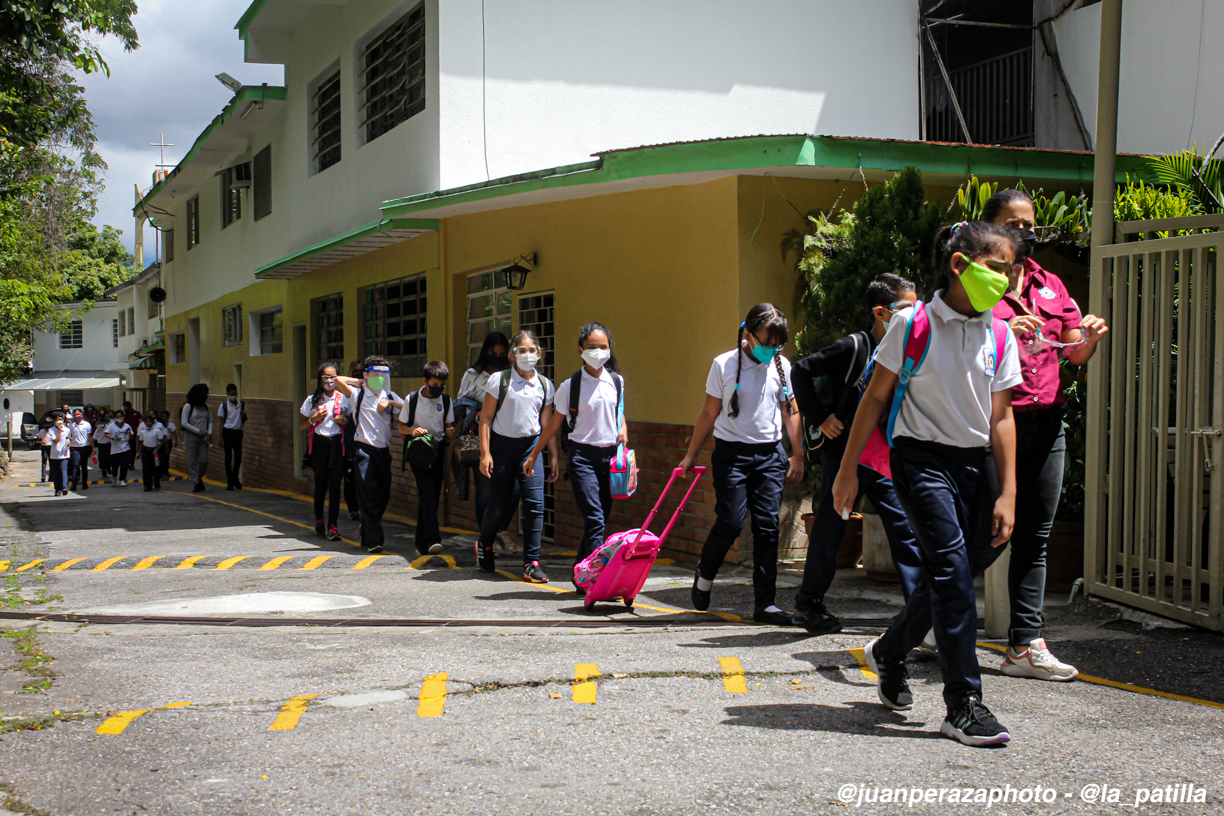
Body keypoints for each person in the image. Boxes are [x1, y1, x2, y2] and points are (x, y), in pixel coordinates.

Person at [832, 220, 1021, 747]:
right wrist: (848, 473)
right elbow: (873, 398)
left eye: (1011, 269)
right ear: (959, 264)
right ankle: (963, 705)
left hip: (975, 462)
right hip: (920, 460)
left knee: (958, 569)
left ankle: (890, 651)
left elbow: (1002, 417)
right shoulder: (913, 324)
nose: (1006, 280)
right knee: (956, 580)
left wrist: (1007, 490)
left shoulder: (1000, 332)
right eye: (996, 268)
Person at [976, 189, 1109, 682]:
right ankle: (918, 623)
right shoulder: (977, 283)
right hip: (994, 421)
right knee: (984, 536)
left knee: (1035, 536)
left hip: (1047, 421)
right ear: (990, 228)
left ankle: (1024, 645)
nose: (1025, 233)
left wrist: (1089, 338)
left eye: (1030, 225)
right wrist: (1004, 329)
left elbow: (1073, 353)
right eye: (1014, 224)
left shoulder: (1050, 284)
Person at [790, 275, 923, 634]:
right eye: (905, 309)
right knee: (831, 528)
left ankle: (922, 613)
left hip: (882, 454)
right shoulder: (854, 346)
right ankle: (809, 603)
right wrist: (821, 417)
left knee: (903, 528)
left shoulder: (911, 346)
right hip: (844, 453)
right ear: (881, 313)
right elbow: (800, 371)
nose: (914, 315)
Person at [679, 303, 804, 625]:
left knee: (767, 528)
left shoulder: (781, 365)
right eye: (766, 343)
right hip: (731, 454)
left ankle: (766, 603)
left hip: (769, 456)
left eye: (778, 344)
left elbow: (790, 410)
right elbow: (709, 412)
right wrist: (692, 455)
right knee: (731, 522)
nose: (772, 349)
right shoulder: (724, 364)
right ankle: (705, 571)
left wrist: (798, 453)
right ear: (747, 334)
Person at [525, 322, 627, 594]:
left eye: (603, 347)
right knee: (595, 519)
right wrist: (535, 453)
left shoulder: (616, 381)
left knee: (601, 516)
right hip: (582, 457)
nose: (598, 352)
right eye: (592, 347)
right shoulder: (570, 386)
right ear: (580, 350)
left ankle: (580, 572)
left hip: (609, 459)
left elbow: (619, 412)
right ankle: (598, 580)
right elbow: (553, 424)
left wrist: (623, 431)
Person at [474, 330, 559, 583]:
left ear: (539, 354)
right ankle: (485, 544)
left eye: (532, 350)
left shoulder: (545, 385)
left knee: (535, 504)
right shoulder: (499, 380)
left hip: (531, 448)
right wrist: (485, 453)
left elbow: (547, 425)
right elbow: (486, 418)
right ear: (512, 355)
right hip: (501, 447)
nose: (527, 355)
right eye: (522, 350)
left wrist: (552, 455)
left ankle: (531, 563)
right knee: (498, 505)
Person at [456, 332, 518, 552]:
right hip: (482, 435)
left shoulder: (513, 375)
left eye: (502, 354)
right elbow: (460, 404)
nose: (498, 357)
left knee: (515, 488)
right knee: (484, 491)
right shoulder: (473, 374)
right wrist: (478, 411)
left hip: (509, 437)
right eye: (494, 353)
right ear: (486, 352)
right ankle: (486, 541)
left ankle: (499, 529)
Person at [335, 356, 403, 553]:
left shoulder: (389, 395)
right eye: (375, 375)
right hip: (363, 450)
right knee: (368, 494)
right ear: (366, 375)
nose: (379, 379)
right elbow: (339, 380)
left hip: (383, 452)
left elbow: (408, 409)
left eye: (383, 375)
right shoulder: (358, 395)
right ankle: (375, 539)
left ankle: (367, 528)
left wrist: (390, 403)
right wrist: (359, 382)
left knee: (383, 494)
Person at [400, 360, 456, 556]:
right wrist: (413, 430)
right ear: (425, 381)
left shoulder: (446, 401)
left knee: (430, 496)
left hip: (438, 451)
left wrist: (450, 431)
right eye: (434, 385)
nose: (438, 389)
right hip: (418, 450)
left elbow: (448, 427)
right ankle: (433, 539)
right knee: (427, 492)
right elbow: (401, 427)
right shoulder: (412, 399)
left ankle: (420, 542)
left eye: (442, 386)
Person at [300, 362, 351, 541]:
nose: (330, 381)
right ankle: (319, 518)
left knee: (335, 486)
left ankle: (333, 526)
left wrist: (343, 421)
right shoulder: (312, 399)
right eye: (326, 377)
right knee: (321, 484)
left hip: (337, 444)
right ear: (320, 379)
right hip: (320, 445)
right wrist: (314, 419)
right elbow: (301, 424)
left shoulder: (343, 398)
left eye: (333, 377)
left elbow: (349, 419)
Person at [342, 360, 364, 522]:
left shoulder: (372, 393)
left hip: (365, 439)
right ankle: (353, 508)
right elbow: (340, 415)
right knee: (350, 476)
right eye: (356, 371)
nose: (359, 374)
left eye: (362, 371)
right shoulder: (348, 393)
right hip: (350, 438)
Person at [181, 384, 213, 492]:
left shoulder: (206, 407)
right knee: (192, 461)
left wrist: (209, 432)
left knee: (204, 461)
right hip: (191, 437)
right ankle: (196, 482)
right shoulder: (188, 407)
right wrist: (197, 431)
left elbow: (210, 420)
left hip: (203, 438)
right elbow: (184, 423)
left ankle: (198, 477)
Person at [218, 383, 248, 490]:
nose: (233, 396)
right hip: (227, 432)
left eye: (235, 394)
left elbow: (245, 419)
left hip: (238, 432)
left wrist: (244, 415)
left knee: (238, 457)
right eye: (231, 394)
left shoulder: (242, 404)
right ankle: (230, 480)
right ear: (227, 394)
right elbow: (221, 422)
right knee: (228, 457)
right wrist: (220, 437)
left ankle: (235, 477)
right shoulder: (224, 406)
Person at [134, 412, 166, 491]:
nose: (148, 423)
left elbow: (161, 441)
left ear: (153, 422)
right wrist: (138, 452)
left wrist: (156, 449)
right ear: (144, 423)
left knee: (156, 467)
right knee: (146, 468)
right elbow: (141, 442)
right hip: (146, 451)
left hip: (155, 451)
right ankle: (147, 484)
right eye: (147, 422)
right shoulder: (142, 432)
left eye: (150, 421)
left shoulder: (157, 431)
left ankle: (156, 481)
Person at [42, 413, 71, 496]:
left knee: (63, 470)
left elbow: (68, 438)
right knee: (55, 473)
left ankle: (64, 487)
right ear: (54, 421)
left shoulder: (67, 429)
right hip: (54, 455)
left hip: (64, 454)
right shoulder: (51, 430)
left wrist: (69, 443)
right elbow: (56, 440)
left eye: (61, 419)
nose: (59, 421)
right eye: (57, 419)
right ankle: (57, 489)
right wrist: (59, 431)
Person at [67, 408, 93, 491]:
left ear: (81, 415)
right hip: (74, 448)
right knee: (75, 465)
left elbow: (89, 436)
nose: (76, 416)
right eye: (75, 415)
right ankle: (74, 484)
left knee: (84, 466)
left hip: (85, 447)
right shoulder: (70, 425)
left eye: (78, 414)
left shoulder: (86, 424)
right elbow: (68, 436)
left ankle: (84, 483)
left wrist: (93, 447)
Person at [105, 411, 134, 486]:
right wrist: (113, 438)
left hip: (125, 448)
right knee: (115, 466)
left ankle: (122, 479)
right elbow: (105, 434)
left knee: (124, 465)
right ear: (115, 418)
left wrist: (129, 434)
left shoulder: (127, 426)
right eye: (118, 417)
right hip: (115, 450)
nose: (120, 418)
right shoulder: (111, 426)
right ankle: (114, 475)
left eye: (121, 416)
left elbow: (132, 436)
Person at [92, 412, 112, 483]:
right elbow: (93, 438)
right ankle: (104, 471)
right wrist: (92, 446)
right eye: (97, 423)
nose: (99, 425)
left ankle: (108, 468)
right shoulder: (97, 430)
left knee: (109, 458)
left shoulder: (109, 428)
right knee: (102, 459)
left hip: (108, 444)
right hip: (101, 445)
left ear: (103, 422)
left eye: (100, 423)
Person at [157, 410, 177, 480]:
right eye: (163, 416)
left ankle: (166, 471)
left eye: (166, 416)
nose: (165, 418)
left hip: (168, 442)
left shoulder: (170, 425)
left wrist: (175, 441)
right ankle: (161, 471)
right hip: (160, 442)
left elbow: (174, 433)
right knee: (160, 457)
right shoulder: (159, 425)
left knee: (166, 456)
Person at [37, 414, 54, 483]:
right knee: (44, 461)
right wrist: (41, 441)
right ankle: (43, 476)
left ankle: (51, 476)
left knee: (51, 461)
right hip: (44, 447)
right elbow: (39, 439)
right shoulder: (42, 431)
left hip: (51, 447)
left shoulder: (52, 431)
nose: (47, 429)